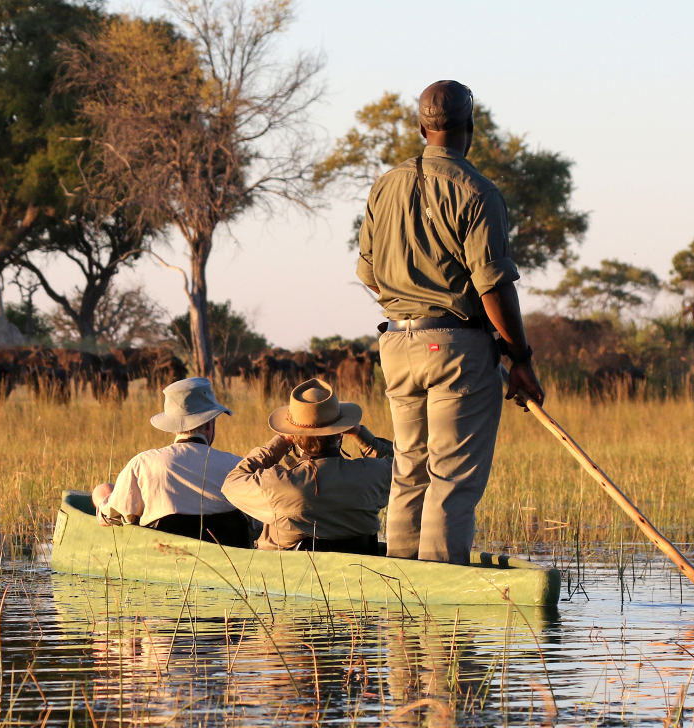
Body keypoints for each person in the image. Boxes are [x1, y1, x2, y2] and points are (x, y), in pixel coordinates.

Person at [356, 79, 545, 564]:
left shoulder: (385, 185)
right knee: (451, 478)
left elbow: (368, 273)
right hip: (457, 349)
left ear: (422, 128)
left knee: (409, 471)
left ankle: (400, 596)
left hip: (396, 345)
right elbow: (494, 287)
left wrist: (410, 305)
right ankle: (442, 610)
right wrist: (519, 358)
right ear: (471, 128)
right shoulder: (478, 191)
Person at [221, 378, 392, 553]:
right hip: (359, 574)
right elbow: (404, 466)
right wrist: (360, 435)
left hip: (290, 577)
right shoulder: (373, 474)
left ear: (294, 438)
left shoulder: (279, 484)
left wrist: (280, 443)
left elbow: (231, 484)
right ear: (340, 434)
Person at [92, 377, 251, 547]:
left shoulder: (143, 464)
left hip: (167, 557)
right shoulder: (239, 466)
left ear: (173, 425)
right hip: (231, 560)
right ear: (208, 424)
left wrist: (101, 497)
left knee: (102, 490)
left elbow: (111, 517)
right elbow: (256, 521)